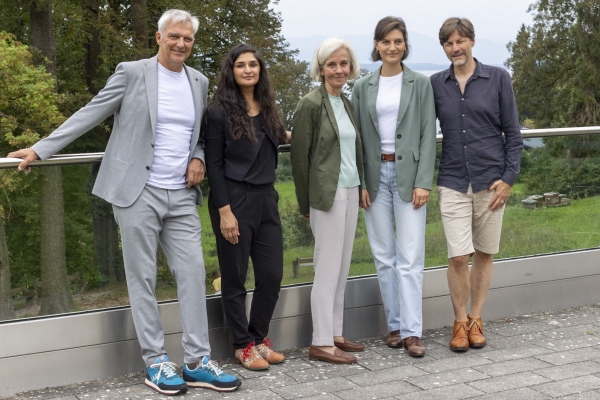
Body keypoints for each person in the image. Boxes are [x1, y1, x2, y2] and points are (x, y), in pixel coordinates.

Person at [7, 9, 241, 395]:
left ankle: (198, 361)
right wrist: (41, 149)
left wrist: (198, 156)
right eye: (174, 36)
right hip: (137, 192)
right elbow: (91, 112)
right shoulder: (132, 73)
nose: (181, 43)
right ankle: (156, 363)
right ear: (159, 37)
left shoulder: (198, 82)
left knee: (193, 273)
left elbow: (199, 133)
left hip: (181, 195)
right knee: (142, 278)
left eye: (188, 38)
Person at [430, 17, 522, 352]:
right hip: (452, 180)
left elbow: (513, 133)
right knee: (458, 256)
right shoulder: (436, 84)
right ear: (444, 48)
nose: (455, 48)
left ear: (472, 41)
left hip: (491, 182)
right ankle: (458, 322)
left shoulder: (498, 78)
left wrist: (508, 179)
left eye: (460, 41)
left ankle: (476, 319)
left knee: (484, 252)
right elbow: (424, 132)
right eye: (448, 43)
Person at [351, 16, 436, 358]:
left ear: (405, 45)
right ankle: (395, 326)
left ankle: (414, 332)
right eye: (385, 41)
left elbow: (428, 133)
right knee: (384, 256)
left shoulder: (420, 83)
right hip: (374, 179)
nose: (391, 47)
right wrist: (360, 182)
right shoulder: (362, 87)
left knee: (411, 258)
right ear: (377, 45)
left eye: (397, 41)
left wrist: (423, 181)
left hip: (410, 178)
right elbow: (356, 140)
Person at [204, 44, 289, 371]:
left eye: (253, 64)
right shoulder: (218, 111)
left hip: (267, 198)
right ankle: (242, 345)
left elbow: (278, 137)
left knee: (272, 275)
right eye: (241, 65)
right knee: (235, 277)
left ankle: (258, 337)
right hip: (233, 200)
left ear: (260, 70)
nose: (248, 70)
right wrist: (225, 212)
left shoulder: (267, 106)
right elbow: (213, 164)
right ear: (232, 71)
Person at [290, 37, 364, 364]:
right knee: (327, 266)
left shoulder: (346, 103)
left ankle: (334, 332)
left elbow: (352, 151)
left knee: (342, 265)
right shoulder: (310, 104)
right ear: (321, 69)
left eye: (343, 63)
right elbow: (299, 159)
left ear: (351, 67)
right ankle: (320, 342)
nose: (338, 69)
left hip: (350, 190)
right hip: (327, 195)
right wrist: (306, 205)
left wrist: (360, 185)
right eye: (332, 64)